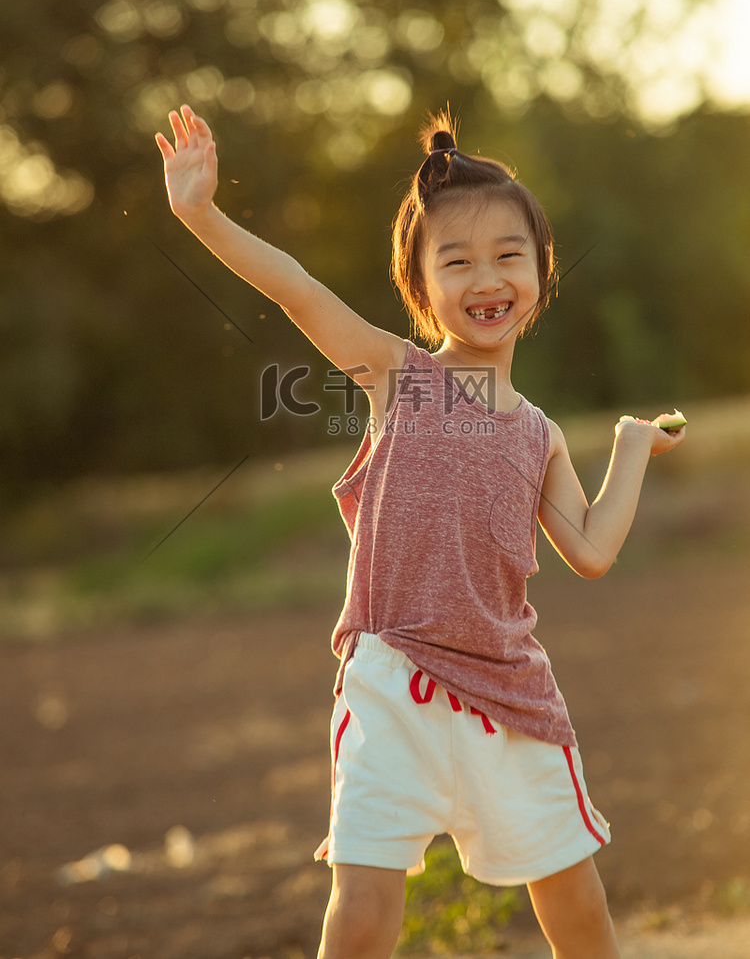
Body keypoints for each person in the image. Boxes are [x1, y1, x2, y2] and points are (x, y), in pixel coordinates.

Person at [156, 105, 686, 959]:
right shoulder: (398, 376)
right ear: (421, 283)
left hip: (512, 697)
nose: (489, 277)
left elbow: (590, 550)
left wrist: (629, 448)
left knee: (581, 917)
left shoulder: (538, 433)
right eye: (458, 260)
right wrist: (201, 213)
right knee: (361, 918)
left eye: (511, 255)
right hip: (391, 685)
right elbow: (296, 286)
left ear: (543, 273)